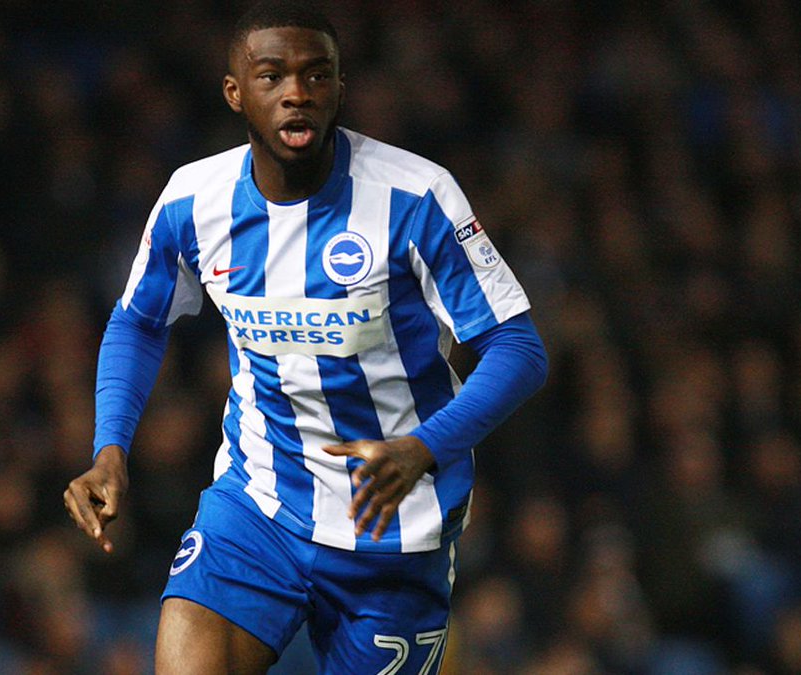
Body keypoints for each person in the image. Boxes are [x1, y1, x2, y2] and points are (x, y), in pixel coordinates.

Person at [63, 2, 548, 672]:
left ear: (340, 89)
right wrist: (110, 448)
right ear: (235, 92)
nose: (297, 92)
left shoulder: (415, 196)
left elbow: (519, 350)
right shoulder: (193, 200)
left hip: (395, 527)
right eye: (273, 76)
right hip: (259, 505)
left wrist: (422, 446)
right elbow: (138, 318)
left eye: (318, 76)